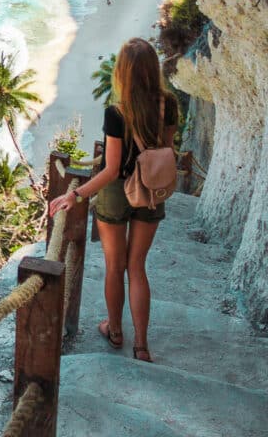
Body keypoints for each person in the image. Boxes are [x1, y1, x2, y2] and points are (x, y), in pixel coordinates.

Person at [48, 37, 177, 363]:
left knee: (114, 266)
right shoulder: (169, 104)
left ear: (123, 72)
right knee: (137, 268)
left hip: (118, 193)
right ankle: (142, 346)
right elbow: (165, 150)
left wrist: (75, 194)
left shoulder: (116, 113)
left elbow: (111, 170)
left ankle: (115, 330)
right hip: (151, 191)